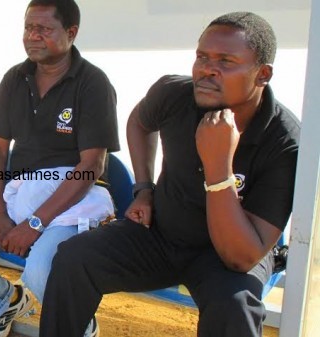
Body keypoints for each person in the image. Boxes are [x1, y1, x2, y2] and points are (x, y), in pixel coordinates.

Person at [39, 11, 300, 337]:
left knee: (234, 307)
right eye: (202, 56)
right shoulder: (175, 94)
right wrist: (144, 189)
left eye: (225, 61)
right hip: (161, 235)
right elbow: (139, 121)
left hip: (225, 256)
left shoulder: (285, 142)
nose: (207, 69)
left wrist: (219, 166)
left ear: (262, 74)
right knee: (74, 259)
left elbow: (240, 257)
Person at [0, 1, 118, 336]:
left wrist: (35, 223)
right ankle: (3, 304)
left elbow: (91, 166)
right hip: (20, 192)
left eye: (44, 28)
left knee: (46, 269)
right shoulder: (15, 78)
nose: (33, 36)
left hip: (71, 199)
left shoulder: (92, 83)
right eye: (29, 27)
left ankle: (80, 326)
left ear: (71, 33)